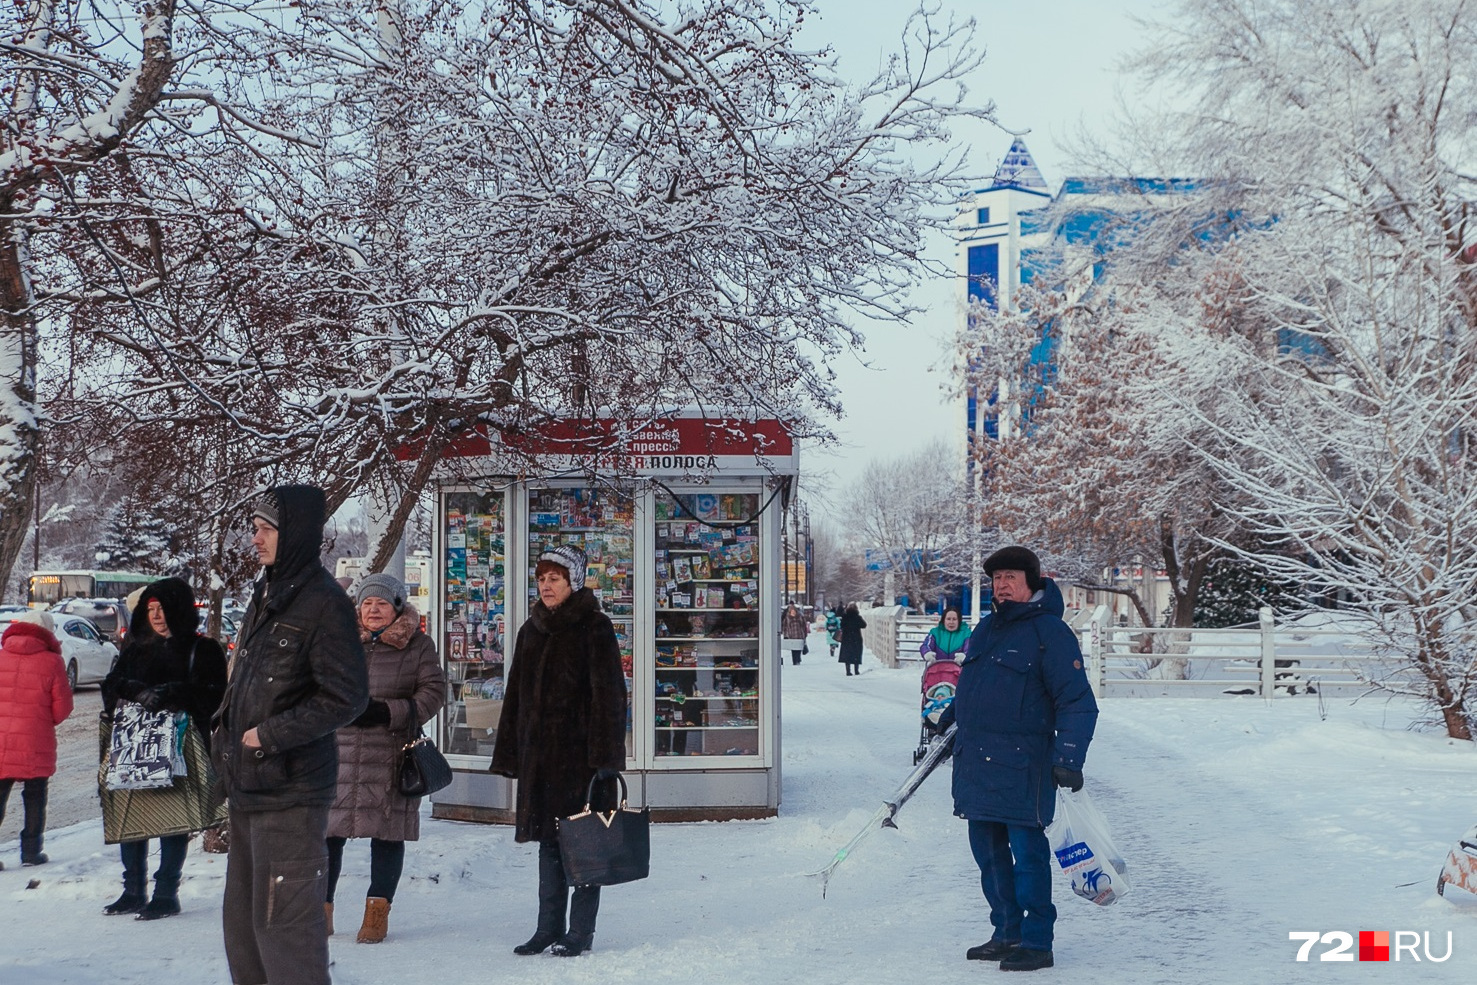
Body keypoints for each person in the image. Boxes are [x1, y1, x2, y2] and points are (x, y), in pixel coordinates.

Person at [214, 485, 369, 985]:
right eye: (253, 528)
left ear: (295, 533)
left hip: (292, 793)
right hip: (249, 790)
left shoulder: (325, 602)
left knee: (287, 937)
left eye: (264, 529)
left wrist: (269, 735)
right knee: (243, 933)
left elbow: (346, 697)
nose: (254, 539)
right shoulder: (266, 592)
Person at [949, 546, 1098, 972]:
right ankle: (1006, 931)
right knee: (988, 855)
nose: (1002, 585)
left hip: (1023, 766)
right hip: (977, 765)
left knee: (1028, 857)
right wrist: (952, 713)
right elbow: (977, 685)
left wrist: (1069, 755)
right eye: (997, 579)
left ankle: (1037, 941)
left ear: (1032, 581)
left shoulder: (1049, 632)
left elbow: (1076, 701)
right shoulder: (986, 629)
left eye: (1011, 577)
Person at [491, 543, 627, 957]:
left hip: (581, 762)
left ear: (573, 581)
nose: (546, 586)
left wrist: (605, 760)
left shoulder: (595, 627)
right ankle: (547, 927)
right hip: (541, 760)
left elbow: (610, 696)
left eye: (555, 578)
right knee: (548, 844)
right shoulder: (530, 630)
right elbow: (515, 694)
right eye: (542, 578)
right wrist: (511, 751)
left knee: (582, 844)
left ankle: (579, 931)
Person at [325, 573, 446, 944]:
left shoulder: (418, 645)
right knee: (327, 834)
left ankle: (377, 913)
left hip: (392, 752)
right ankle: (320, 911)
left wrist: (388, 712)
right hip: (338, 751)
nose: (373, 609)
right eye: (366, 603)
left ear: (396, 607)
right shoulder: (339, 642)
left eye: (381, 603)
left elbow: (434, 691)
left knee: (388, 833)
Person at [100, 577, 228, 918]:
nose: (157, 616)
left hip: (180, 750)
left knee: (174, 821)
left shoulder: (203, 649)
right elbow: (110, 687)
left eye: (164, 609)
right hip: (133, 751)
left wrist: (172, 692)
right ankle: (132, 890)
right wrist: (135, 690)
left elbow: (214, 696)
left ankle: (166, 893)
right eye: (152, 609)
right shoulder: (136, 648)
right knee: (132, 821)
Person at [0, 610, 73, 869]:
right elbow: (62, 709)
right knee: (35, 796)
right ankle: (31, 852)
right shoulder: (52, 662)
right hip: (35, 741)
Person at [837, 602, 866, 676]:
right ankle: (856, 670)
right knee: (856, 653)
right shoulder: (857, 617)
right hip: (856, 637)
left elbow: (841, 625)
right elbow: (864, 625)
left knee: (847, 654)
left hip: (847, 638)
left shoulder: (845, 617)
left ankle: (848, 671)